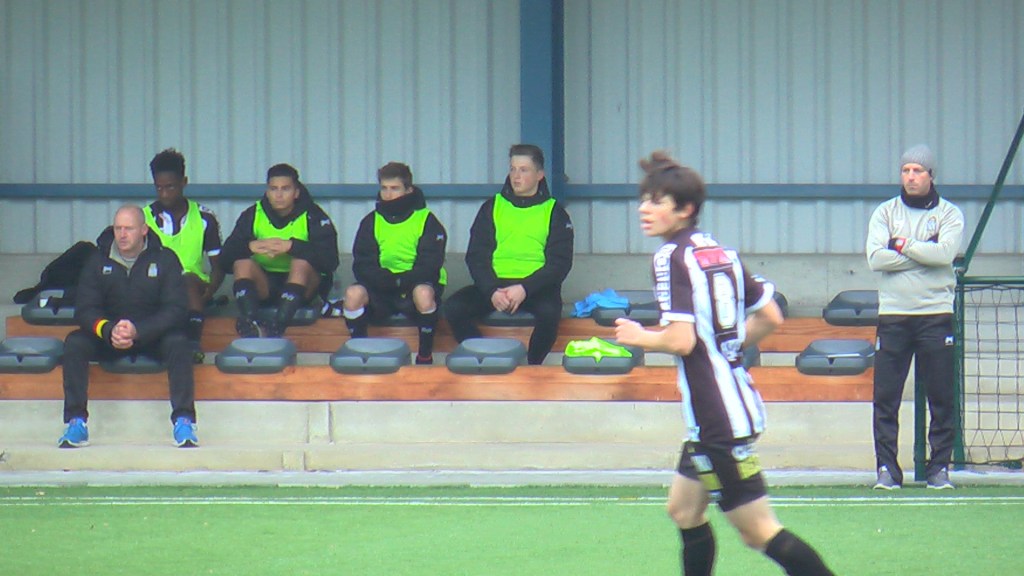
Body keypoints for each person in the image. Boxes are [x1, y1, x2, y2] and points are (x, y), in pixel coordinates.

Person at [614, 152, 834, 576]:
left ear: (685, 209)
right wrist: (726, 347)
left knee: (759, 532)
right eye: (643, 200)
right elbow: (771, 316)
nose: (644, 209)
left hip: (717, 418)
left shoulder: (670, 257)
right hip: (728, 407)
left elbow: (681, 340)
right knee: (683, 510)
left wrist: (641, 337)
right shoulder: (720, 252)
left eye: (656, 201)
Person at [58, 205, 199, 448]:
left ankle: (184, 421)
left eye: (129, 229)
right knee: (75, 342)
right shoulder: (97, 260)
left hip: (152, 337)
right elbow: (85, 309)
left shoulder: (165, 259)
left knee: (180, 342)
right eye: (118, 228)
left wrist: (139, 331)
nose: (122, 235)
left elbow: (176, 310)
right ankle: (76, 422)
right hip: (109, 338)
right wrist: (108, 329)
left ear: (144, 230)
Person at [866, 144, 964, 490]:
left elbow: (945, 255)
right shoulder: (885, 212)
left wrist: (901, 245)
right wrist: (925, 251)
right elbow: (876, 259)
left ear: (931, 175)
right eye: (906, 170)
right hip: (894, 316)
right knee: (886, 398)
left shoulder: (949, 214)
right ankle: (887, 470)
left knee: (941, 397)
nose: (910, 176)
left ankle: (938, 469)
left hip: (935, 315)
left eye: (918, 171)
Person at [443, 144, 573, 365]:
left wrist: (524, 288)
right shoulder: (492, 207)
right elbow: (476, 256)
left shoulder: (555, 212)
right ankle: (485, 357)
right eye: (513, 169)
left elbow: (559, 264)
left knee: (550, 313)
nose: (516, 176)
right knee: (454, 307)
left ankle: (532, 366)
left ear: (539, 175)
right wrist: (492, 290)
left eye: (524, 170)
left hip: (535, 288)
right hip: (495, 285)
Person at [342, 162, 448, 364]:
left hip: (415, 287)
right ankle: (360, 353)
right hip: (382, 288)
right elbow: (363, 263)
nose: (388, 194)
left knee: (424, 294)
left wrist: (401, 281)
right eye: (384, 188)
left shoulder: (427, 220)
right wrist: (387, 281)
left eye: (395, 188)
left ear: (409, 190)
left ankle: (424, 356)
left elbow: (430, 264)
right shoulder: (371, 221)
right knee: (353, 294)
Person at [220, 163, 339, 338]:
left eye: (285, 189)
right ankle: (250, 322)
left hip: (303, 289)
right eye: (274, 189)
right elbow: (224, 261)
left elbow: (330, 261)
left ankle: (278, 327)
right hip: (265, 285)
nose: (279, 195)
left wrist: (292, 247)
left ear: (296, 192)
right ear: (267, 191)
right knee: (242, 263)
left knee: (300, 263)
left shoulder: (313, 215)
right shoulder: (253, 214)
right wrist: (249, 247)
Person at [144, 148, 224, 362]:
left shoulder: (205, 217)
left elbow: (219, 266)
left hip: (193, 285)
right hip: (154, 285)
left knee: (185, 278)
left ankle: (193, 344)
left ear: (184, 182)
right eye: (159, 188)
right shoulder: (144, 219)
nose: (164, 194)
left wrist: (209, 293)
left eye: (170, 187)